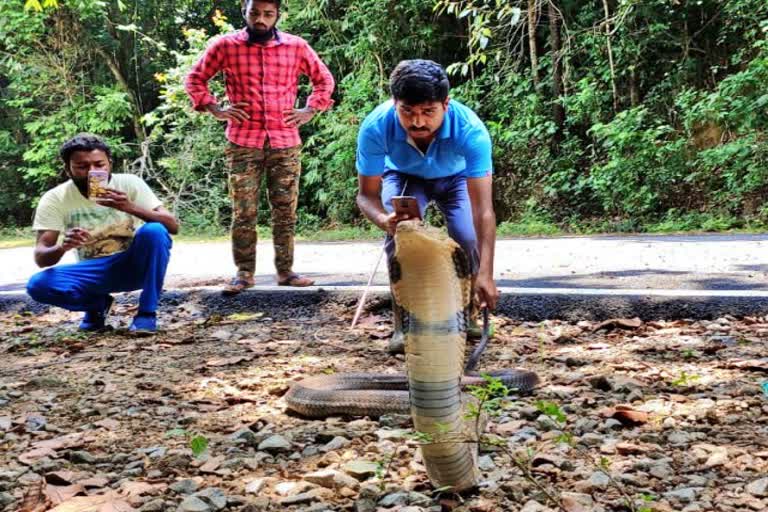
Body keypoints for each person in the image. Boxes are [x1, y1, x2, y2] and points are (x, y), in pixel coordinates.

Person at [185, 0, 335, 295]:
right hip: (243, 140)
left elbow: (323, 80)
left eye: (268, 14)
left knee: (285, 211)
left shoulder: (296, 46)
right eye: (255, 13)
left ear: (278, 15)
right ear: (245, 11)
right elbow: (195, 79)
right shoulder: (225, 46)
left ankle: (286, 271)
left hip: (285, 141)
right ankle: (243, 272)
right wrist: (216, 109)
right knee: (244, 211)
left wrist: (309, 110)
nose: (261, 20)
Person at [355, 59, 500, 353]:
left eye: (428, 112)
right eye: (407, 112)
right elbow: (365, 195)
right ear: (394, 103)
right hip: (404, 175)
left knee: (466, 234)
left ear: (446, 104)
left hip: (456, 177)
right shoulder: (375, 128)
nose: (418, 122)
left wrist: (486, 272)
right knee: (402, 236)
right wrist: (384, 219)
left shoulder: (470, 130)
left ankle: (468, 313)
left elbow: (483, 210)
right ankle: (403, 323)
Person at [26, 133, 179, 333]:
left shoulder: (129, 184)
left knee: (154, 230)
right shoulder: (55, 198)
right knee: (38, 285)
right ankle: (96, 306)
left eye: (99, 165)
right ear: (68, 169)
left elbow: (172, 226)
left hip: (133, 264)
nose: (92, 172)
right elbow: (41, 257)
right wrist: (63, 246)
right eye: (82, 167)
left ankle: (147, 314)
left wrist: (130, 207)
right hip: (93, 271)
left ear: (110, 164)